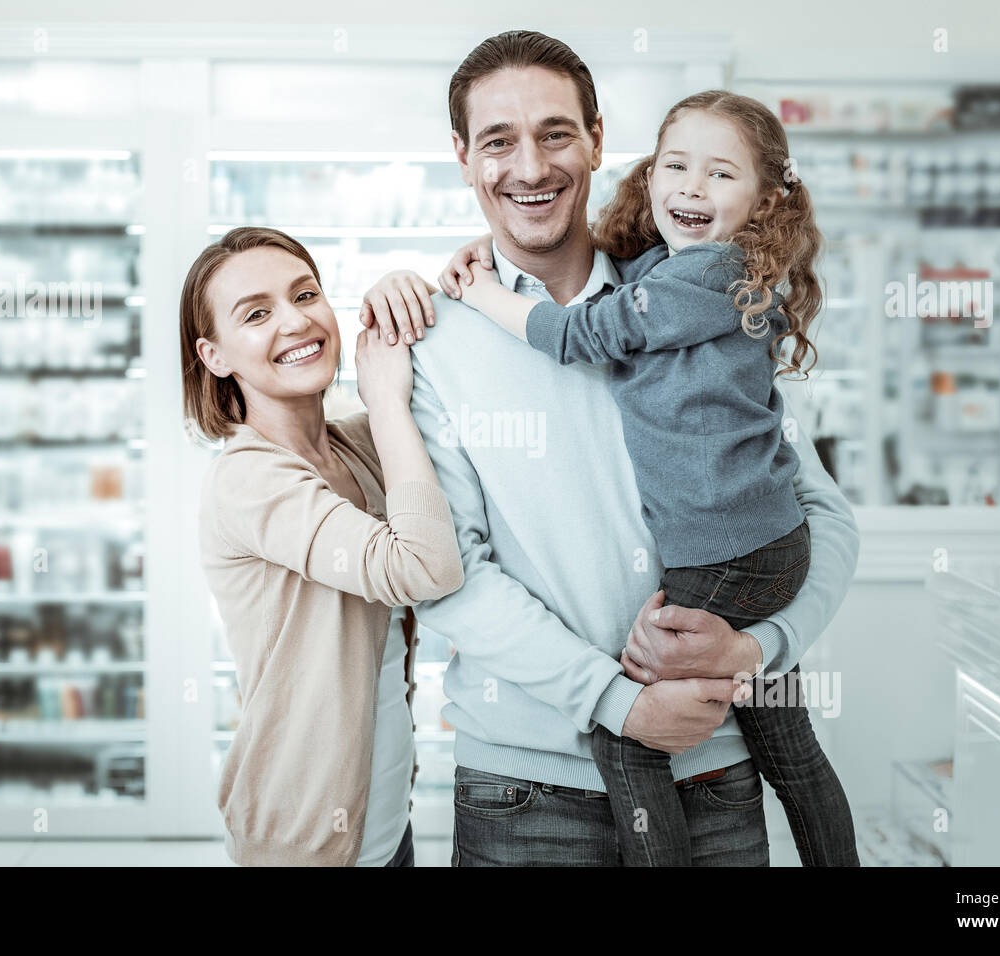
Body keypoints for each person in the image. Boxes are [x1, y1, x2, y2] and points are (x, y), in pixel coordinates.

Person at [361, 30, 860, 866]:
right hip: (522, 796)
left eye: (556, 133)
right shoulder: (432, 340)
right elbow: (445, 576)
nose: (530, 167)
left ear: (598, 138)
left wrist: (758, 650)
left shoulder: (684, 295)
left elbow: (815, 515)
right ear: (463, 157)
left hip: (713, 780)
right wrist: (615, 702)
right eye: (498, 141)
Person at [182, 226, 463, 866]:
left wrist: (410, 294)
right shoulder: (248, 477)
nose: (295, 320)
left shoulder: (352, 445)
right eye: (256, 314)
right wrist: (385, 398)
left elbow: (463, 400)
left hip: (387, 824)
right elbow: (424, 568)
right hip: (305, 845)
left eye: (305, 295)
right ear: (215, 354)